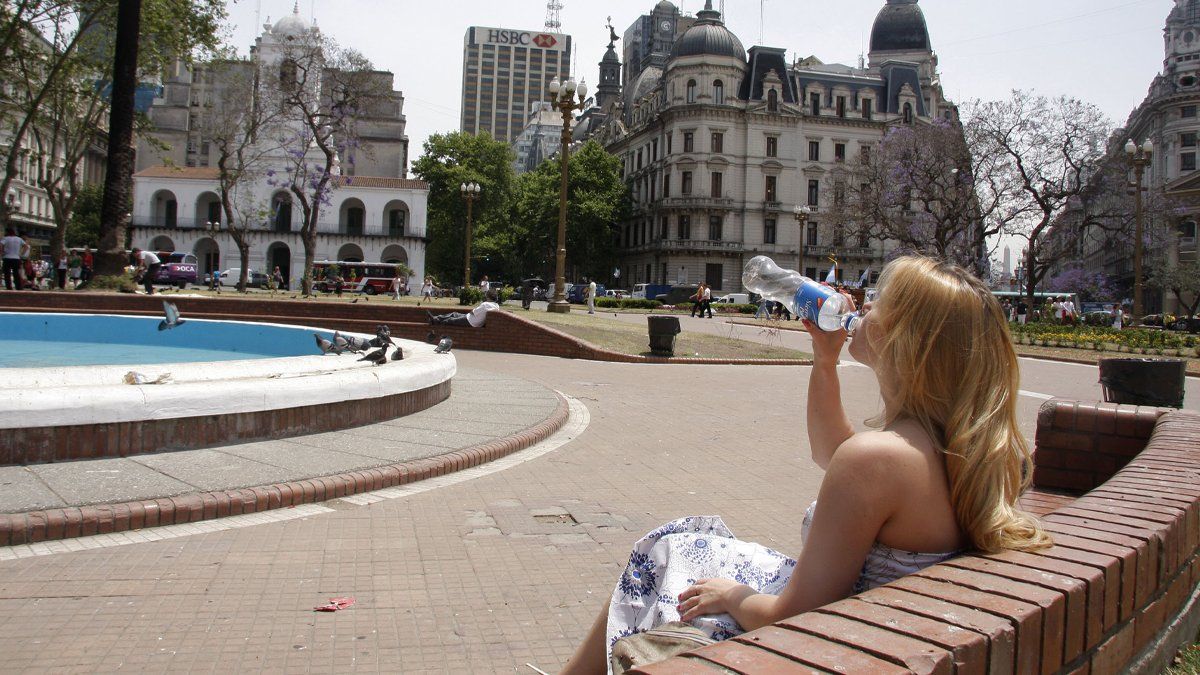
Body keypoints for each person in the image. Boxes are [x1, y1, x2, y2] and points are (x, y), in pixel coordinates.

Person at [561, 256, 1051, 674]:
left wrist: (732, 597)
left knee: (668, 555)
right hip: (863, 621)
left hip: (817, 634)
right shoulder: (948, 448)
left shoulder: (881, 459)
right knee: (680, 544)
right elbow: (830, 453)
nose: (863, 303)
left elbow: (792, 612)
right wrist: (824, 359)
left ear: (908, 341)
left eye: (880, 300)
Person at [429, 301, 499, 327]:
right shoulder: (496, 306)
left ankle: (436, 322)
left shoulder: (485, 304)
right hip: (473, 319)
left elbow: (473, 312)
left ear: (488, 297)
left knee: (451, 319)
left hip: (471, 321)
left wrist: (473, 311)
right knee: (454, 314)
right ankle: (435, 318)